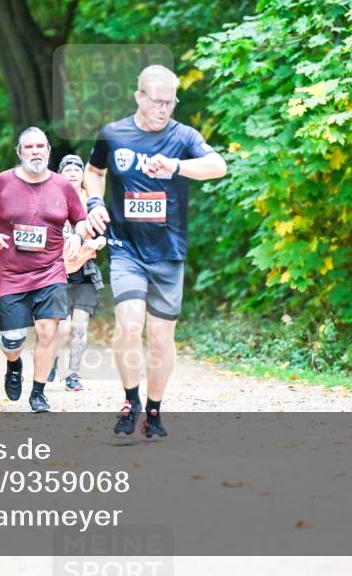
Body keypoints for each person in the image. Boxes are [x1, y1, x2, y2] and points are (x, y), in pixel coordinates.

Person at [85, 65, 227, 437]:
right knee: (129, 324)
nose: (165, 109)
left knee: (161, 339)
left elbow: (218, 166)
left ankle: (155, 410)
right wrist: (94, 204)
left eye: (171, 101)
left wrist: (177, 167)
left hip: (168, 250)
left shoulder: (183, 136)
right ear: (139, 97)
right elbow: (94, 172)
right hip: (125, 247)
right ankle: (130, 401)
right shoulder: (112, 134)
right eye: (158, 101)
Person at [0, 127, 92, 413]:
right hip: (12, 274)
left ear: (49, 151)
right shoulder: (3, 182)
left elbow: (80, 219)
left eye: (41, 146)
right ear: (19, 152)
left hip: (51, 270)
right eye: (29, 147)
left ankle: (38, 392)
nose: (35, 151)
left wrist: (77, 237)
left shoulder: (62, 186)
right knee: (11, 341)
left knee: (47, 331)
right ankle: (14, 365)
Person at [47, 154, 106, 391]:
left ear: (83, 175)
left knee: (80, 326)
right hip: (57, 272)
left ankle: (73, 375)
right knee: (63, 328)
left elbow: (105, 235)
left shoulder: (93, 203)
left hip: (85, 271)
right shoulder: (50, 201)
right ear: (60, 174)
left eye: (77, 169)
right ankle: (49, 360)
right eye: (67, 169)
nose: (72, 172)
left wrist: (98, 243)